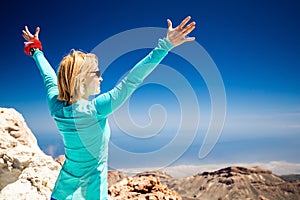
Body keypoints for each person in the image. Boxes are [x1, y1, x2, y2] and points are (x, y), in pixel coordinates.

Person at [22, 16, 195, 200]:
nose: (101, 78)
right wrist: (165, 45)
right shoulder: (96, 110)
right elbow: (132, 80)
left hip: (61, 194)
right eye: (96, 73)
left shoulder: (56, 105)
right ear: (81, 79)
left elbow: (49, 78)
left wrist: (35, 50)